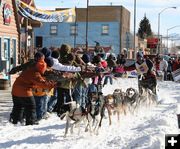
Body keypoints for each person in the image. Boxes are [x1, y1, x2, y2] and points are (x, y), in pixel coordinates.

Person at [10, 52, 56, 125]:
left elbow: (22, 67)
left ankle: (15, 120)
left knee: (18, 105)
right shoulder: (36, 74)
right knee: (31, 106)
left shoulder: (32, 68)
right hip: (24, 91)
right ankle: (31, 122)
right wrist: (53, 84)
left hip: (15, 90)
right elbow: (43, 84)